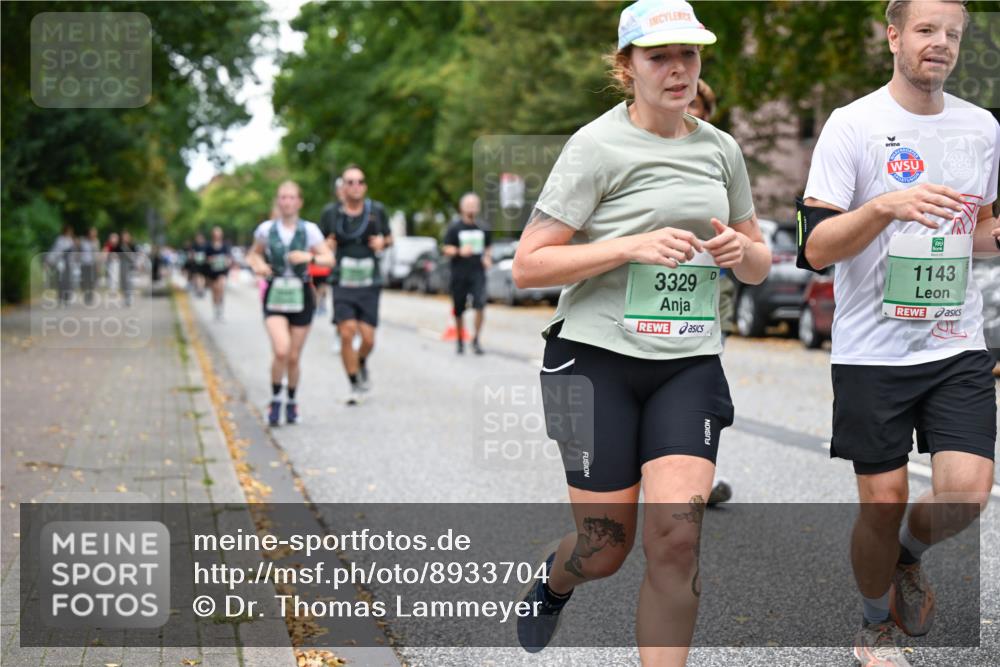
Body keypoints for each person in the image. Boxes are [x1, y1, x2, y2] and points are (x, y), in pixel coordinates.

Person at [510, 1, 771, 664]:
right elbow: (528, 265)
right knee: (603, 548)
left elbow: (760, 256)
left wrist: (746, 257)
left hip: (687, 362)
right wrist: (629, 246)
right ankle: (555, 578)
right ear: (627, 67)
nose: (678, 68)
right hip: (594, 360)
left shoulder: (722, 149)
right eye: (659, 56)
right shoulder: (595, 146)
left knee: (676, 539)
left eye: (688, 53)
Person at [800, 2, 999, 665]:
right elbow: (818, 248)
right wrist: (884, 205)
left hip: (955, 340)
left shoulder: (982, 127)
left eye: (951, 34)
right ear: (893, 36)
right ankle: (874, 622)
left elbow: (977, 232)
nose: (939, 43)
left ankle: (907, 556)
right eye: (925, 30)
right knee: (881, 502)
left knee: (968, 491)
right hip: (872, 352)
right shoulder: (853, 125)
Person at [246, 181, 333, 427]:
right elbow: (253, 253)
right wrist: (259, 265)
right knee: (281, 350)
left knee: (294, 357)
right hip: (275, 293)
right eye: (283, 197)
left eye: (292, 197)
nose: (287, 202)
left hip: (302, 294)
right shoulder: (266, 229)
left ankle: (292, 401)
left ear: (299, 202)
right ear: (278, 201)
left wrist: (309, 256)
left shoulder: (310, 230)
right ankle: (275, 400)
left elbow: (329, 259)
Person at [686, 79, 733, 508]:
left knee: (703, 382)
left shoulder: (721, 154)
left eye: (698, 105)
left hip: (709, 294)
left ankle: (699, 473)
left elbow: (746, 234)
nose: (692, 110)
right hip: (642, 298)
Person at [320, 165, 392, 405]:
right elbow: (319, 242)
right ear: (343, 187)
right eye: (350, 182)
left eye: (359, 182)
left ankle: (361, 362)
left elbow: (389, 238)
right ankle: (353, 383)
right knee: (347, 332)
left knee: (369, 338)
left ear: (365, 186)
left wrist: (383, 242)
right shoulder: (331, 213)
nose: (355, 186)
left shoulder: (377, 210)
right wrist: (326, 246)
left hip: (369, 281)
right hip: (342, 280)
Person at [442, 192, 492, 355]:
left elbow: (488, 247)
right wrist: (459, 251)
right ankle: (459, 339)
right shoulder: (454, 228)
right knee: (459, 309)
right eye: (468, 205)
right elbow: (445, 248)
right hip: (459, 273)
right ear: (462, 207)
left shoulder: (483, 227)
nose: (471, 208)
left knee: (480, 305)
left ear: (477, 208)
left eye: (474, 204)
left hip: (477, 272)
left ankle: (476, 339)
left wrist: (487, 257)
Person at [204, 226, 232, 321]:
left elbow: (229, 257)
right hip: (212, 272)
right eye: (216, 233)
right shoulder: (209, 246)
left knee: (221, 288)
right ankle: (216, 309)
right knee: (214, 292)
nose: (217, 235)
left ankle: (220, 310)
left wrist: (227, 261)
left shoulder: (225, 245)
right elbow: (206, 258)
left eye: (219, 233)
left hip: (222, 271)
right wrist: (212, 260)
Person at [111, 230, 138, 306]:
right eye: (124, 237)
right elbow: (114, 253)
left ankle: (129, 298)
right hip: (122, 266)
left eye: (127, 236)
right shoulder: (119, 246)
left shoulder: (132, 245)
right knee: (123, 283)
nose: (125, 238)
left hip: (130, 266)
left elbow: (135, 256)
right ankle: (126, 297)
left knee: (129, 282)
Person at [78, 227, 100, 305]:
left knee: (91, 282)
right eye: (92, 233)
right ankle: (85, 295)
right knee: (84, 281)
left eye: (94, 233)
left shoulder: (96, 242)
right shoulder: (82, 241)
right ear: (88, 233)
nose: (93, 234)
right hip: (84, 263)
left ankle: (89, 298)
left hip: (92, 264)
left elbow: (97, 254)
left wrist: (98, 265)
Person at [192, 232, 209, 297]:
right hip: (197, 264)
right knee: (198, 277)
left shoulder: (206, 245)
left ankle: (201, 289)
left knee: (203, 277)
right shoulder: (195, 246)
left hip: (204, 264)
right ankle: (199, 289)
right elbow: (192, 254)